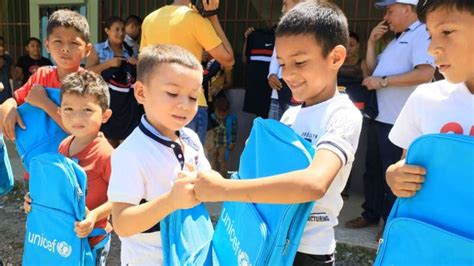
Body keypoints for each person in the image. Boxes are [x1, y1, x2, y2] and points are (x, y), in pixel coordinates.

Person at [195, 2, 362, 265]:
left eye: (299, 62)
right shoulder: (290, 114)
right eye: (283, 63)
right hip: (268, 239)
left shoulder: (342, 114)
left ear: (336, 57)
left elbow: (313, 184)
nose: (289, 74)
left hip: (307, 251)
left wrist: (227, 189)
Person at [107, 44, 211, 264]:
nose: (184, 105)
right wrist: (171, 201)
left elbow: (209, 181)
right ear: (141, 92)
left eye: (193, 97)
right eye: (173, 93)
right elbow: (122, 224)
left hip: (191, 255)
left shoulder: (190, 138)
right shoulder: (131, 153)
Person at [345, 0, 435, 238]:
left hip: (399, 121)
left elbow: (426, 73)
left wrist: (384, 81)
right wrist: (372, 43)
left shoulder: (421, 34)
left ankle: (390, 222)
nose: (386, 17)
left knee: (392, 173)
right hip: (380, 116)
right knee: (373, 170)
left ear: (407, 9)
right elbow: (371, 71)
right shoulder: (396, 39)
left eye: (390, 10)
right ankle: (371, 212)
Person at [24, 70, 114, 265]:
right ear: (59, 112)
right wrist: (34, 200)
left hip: (92, 239)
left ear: (105, 115)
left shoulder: (106, 154)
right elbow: (58, 187)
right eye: (69, 109)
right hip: (62, 235)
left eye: (87, 110)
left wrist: (94, 216)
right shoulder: (64, 145)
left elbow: (122, 198)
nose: (76, 118)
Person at [386, 0, 474, 197]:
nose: (432, 48)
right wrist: (395, 174)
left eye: (447, 32)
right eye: (430, 35)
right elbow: (408, 161)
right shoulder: (426, 98)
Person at [140, 0, 234, 145]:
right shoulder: (195, 20)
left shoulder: (150, 19)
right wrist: (213, 17)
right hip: (188, 104)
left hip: (156, 104)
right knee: (187, 162)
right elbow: (228, 59)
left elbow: (143, 65)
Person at [0, 9, 92, 142]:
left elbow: (79, 130)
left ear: (87, 50)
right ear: (47, 45)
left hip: (75, 157)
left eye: (74, 43)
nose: (65, 48)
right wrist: (8, 107)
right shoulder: (42, 75)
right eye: (58, 41)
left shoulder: (89, 83)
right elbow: (16, 99)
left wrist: (44, 102)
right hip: (39, 155)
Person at [86, 16, 140, 148]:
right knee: (109, 142)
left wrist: (137, 63)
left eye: (122, 29)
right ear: (107, 30)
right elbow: (87, 73)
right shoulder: (97, 49)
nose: (121, 33)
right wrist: (108, 64)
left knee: (128, 142)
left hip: (127, 104)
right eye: (116, 29)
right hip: (105, 101)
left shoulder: (131, 49)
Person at [267, 0, 304, 120]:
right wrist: (271, 74)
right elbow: (275, 56)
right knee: (274, 134)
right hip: (278, 91)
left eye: (285, 4)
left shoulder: (310, 30)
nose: (283, 10)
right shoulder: (283, 30)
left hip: (300, 93)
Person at [207, 96, 237, 177]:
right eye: (219, 111)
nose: (222, 113)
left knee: (223, 161)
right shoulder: (212, 117)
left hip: (224, 145)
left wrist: (232, 143)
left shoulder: (231, 119)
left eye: (224, 111)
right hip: (214, 144)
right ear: (215, 109)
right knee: (213, 161)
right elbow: (209, 132)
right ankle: (213, 177)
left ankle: (223, 177)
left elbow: (233, 132)